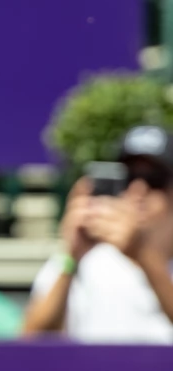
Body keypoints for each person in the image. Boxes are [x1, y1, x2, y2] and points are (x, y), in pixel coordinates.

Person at [24, 124, 173, 343]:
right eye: (129, 176)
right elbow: (30, 342)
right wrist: (71, 257)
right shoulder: (81, 260)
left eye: (154, 178)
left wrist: (143, 257)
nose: (138, 190)